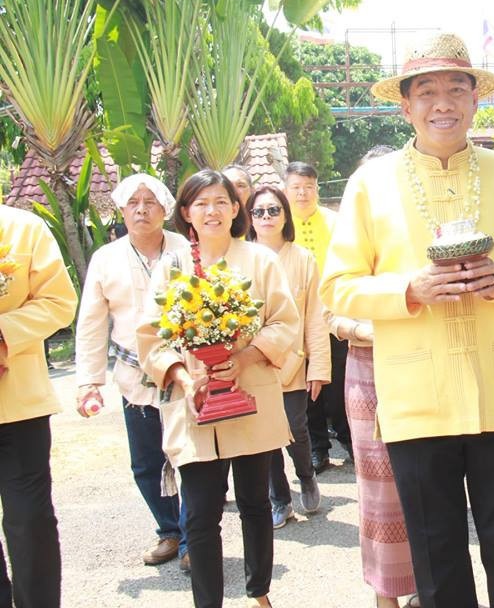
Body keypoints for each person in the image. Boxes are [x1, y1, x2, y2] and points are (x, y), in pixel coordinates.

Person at [321, 32, 494, 608]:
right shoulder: (370, 185)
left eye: (457, 87)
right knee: (436, 552)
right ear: (405, 106)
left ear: (476, 100)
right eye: (427, 90)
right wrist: (410, 288)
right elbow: (337, 285)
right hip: (416, 400)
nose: (443, 102)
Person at [137, 169, 298, 608]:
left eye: (221, 201)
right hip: (195, 406)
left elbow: (286, 322)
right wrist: (185, 378)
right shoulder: (171, 267)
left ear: (235, 209)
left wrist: (243, 358)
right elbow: (151, 337)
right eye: (201, 203)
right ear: (186, 212)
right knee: (202, 513)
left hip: (252, 398)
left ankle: (258, 592)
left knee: (254, 503)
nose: (212, 211)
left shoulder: (260, 260)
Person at [74, 174, 191, 570]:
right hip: (132, 374)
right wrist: (89, 381)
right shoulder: (106, 258)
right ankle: (170, 531)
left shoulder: (185, 249)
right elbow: (91, 323)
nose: (142, 209)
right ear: (122, 210)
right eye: (133, 203)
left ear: (165, 209)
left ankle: (196, 536)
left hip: (183, 372)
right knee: (145, 462)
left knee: (189, 456)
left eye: (150, 202)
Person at [333, 145, 419, 608]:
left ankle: (428, 585)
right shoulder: (348, 241)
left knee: (427, 481)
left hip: (423, 368)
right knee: (378, 486)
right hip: (367, 373)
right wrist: (372, 326)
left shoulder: (419, 230)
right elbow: (334, 315)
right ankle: (385, 593)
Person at [0, 204, 77, 608]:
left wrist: (3, 332)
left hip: (18, 404)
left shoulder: (22, 228)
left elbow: (59, 302)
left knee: (29, 522)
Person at [246, 186, 330, 529]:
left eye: (273, 210)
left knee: (295, 428)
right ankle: (279, 499)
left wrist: (319, 367)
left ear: (285, 215)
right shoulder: (240, 258)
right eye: (259, 212)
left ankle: (306, 476)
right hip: (252, 364)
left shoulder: (303, 259)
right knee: (264, 436)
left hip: (293, 363)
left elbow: (315, 317)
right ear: (249, 218)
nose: (266, 217)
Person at [283, 161, 352, 473]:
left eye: (308, 187)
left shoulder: (335, 221)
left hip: (333, 314)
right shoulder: (281, 224)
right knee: (307, 389)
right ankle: (318, 450)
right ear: (286, 190)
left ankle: (349, 440)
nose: (302, 193)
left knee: (338, 382)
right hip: (296, 321)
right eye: (296, 187)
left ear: (317, 188)